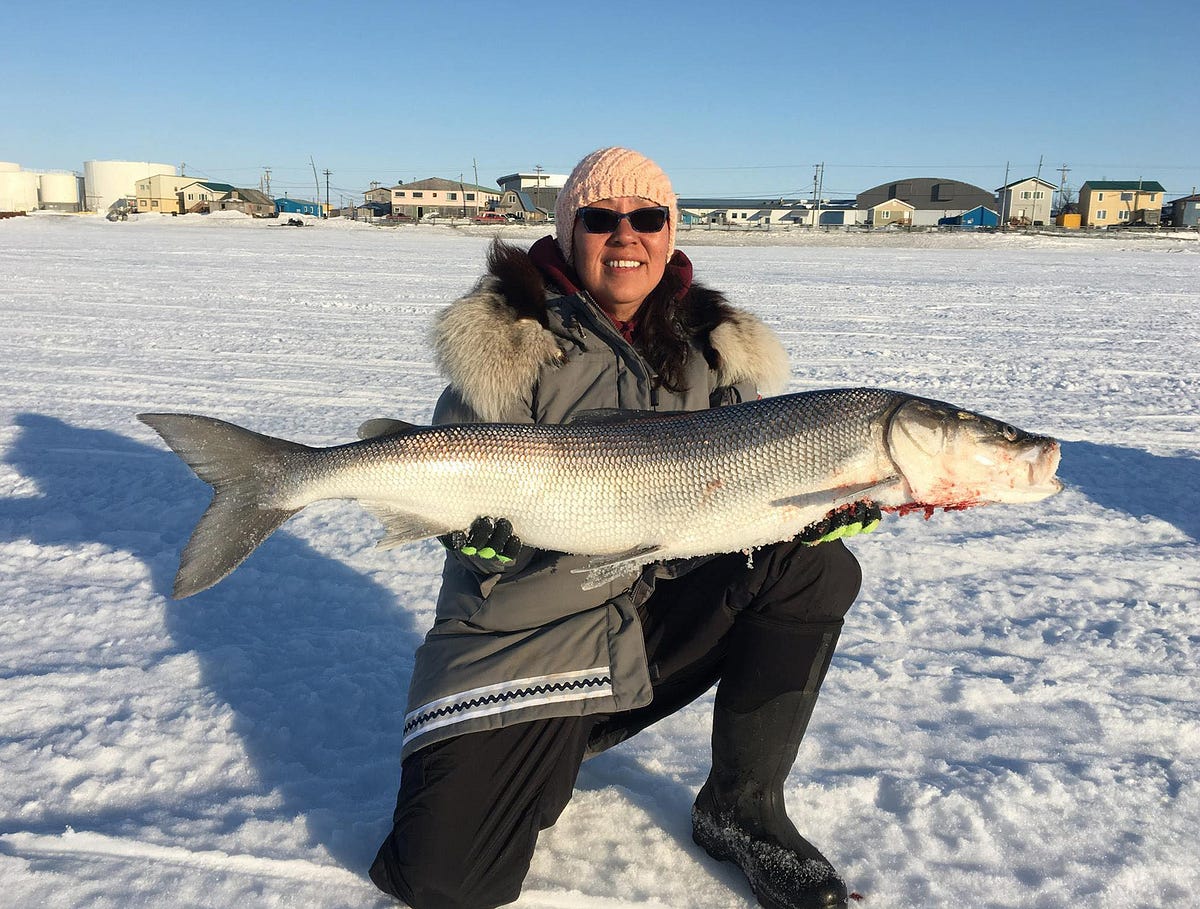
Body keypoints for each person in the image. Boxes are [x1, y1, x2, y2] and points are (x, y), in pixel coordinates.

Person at [369, 147, 878, 909]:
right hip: (523, 637)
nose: (625, 236)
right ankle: (550, 737)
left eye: (646, 218)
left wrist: (811, 509)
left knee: (811, 565)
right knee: (443, 881)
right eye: (602, 219)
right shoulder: (515, 336)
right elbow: (449, 472)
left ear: (670, 233)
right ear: (572, 232)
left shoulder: (713, 350)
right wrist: (462, 535)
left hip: (645, 620)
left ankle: (742, 809)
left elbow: (739, 499)